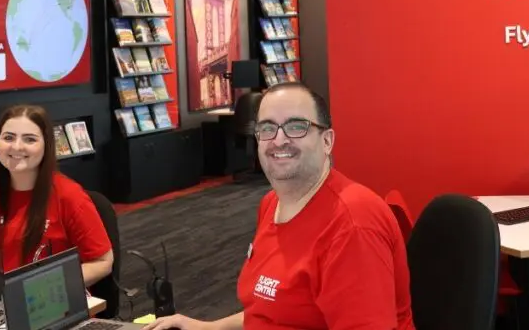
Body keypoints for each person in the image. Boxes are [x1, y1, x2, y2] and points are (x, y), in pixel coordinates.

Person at [146, 83, 415, 330]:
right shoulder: (272, 204)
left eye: (296, 126)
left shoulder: (352, 223)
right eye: (267, 128)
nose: (278, 140)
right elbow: (274, 311)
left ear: (327, 141)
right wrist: (208, 327)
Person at [0, 104, 113, 286]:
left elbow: (103, 262)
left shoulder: (68, 195)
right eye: (8, 137)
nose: (17, 146)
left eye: (30, 139)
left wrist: (45, 286)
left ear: (46, 145)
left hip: (44, 301)